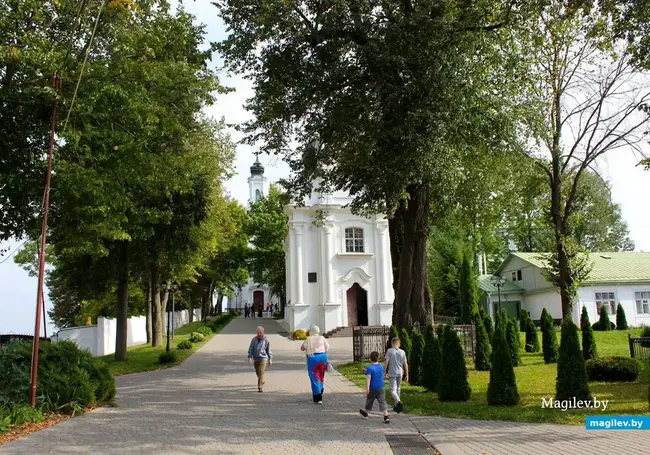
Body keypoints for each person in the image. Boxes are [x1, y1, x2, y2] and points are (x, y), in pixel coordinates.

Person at [300, 325, 330, 404]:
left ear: (311, 331)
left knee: (314, 376)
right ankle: (321, 388)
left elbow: (302, 348)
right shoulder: (322, 338)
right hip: (323, 357)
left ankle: (318, 397)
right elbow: (327, 347)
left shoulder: (308, 339)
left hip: (313, 358)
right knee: (321, 375)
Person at [359, 351, 389, 424]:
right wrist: (366, 371)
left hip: (373, 388)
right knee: (382, 401)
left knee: (369, 401)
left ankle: (366, 413)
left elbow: (368, 378)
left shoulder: (370, 368)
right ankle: (386, 416)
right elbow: (376, 373)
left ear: (370, 358)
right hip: (381, 387)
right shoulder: (381, 366)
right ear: (378, 358)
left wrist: (367, 388)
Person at [384, 337, 408, 413]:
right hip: (400, 372)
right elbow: (405, 364)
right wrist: (407, 374)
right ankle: (396, 406)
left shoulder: (390, 351)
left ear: (392, 343)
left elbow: (386, 362)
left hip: (392, 372)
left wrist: (384, 372)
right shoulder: (402, 352)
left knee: (392, 390)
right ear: (399, 344)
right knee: (398, 388)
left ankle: (398, 402)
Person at [248, 326, 272, 392]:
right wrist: (250, 357)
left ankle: (260, 387)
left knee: (261, 372)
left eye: (260, 332)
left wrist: (270, 359)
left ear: (263, 333)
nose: (259, 334)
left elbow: (268, 350)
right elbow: (251, 349)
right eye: (258, 332)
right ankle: (262, 380)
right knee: (258, 373)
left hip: (263, 358)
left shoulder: (266, 340)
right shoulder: (254, 339)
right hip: (256, 358)